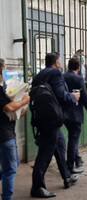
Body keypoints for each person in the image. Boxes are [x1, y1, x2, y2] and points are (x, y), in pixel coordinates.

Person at [31, 53, 80, 198]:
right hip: (51, 120)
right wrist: (73, 96)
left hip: (42, 118)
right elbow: (60, 95)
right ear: (56, 62)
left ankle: (67, 177)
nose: (61, 62)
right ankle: (37, 187)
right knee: (45, 154)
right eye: (60, 60)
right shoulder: (55, 73)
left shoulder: (39, 75)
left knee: (60, 145)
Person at [0, 59, 30, 200]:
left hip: (7, 133)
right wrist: (24, 101)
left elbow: (12, 112)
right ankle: (7, 197)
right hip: (4, 135)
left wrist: (23, 107)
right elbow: (9, 107)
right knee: (11, 169)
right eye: (4, 68)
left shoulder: (3, 88)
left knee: (13, 164)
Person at [63, 57, 87, 174]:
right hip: (75, 114)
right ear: (78, 67)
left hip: (64, 114)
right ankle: (70, 166)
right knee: (73, 140)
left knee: (72, 138)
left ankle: (77, 159)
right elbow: (84, 97)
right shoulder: (78, 78)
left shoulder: (62, 76)